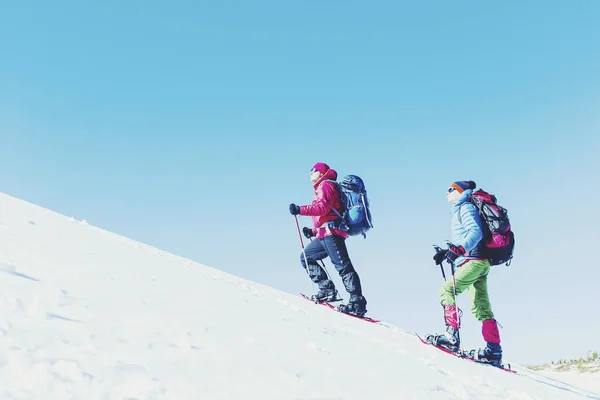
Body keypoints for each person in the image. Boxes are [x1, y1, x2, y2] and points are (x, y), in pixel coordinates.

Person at [428, 180, 503, 363]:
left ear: (460, 191)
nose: (447, 192)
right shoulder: (463, 208)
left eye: (450, 189)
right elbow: (467, 237)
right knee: (481, 306)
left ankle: (451, 335)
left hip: (473, 261)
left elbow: (475, 233)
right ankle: (493, 349)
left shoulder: (465, 208)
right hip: (479, 261)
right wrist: (448, 252)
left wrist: (460, 250)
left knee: (447, 289)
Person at [289, 162, 368, 317]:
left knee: (343, 267)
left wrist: (300, 209)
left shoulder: (327, 185)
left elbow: (322, 208)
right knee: (306, 257)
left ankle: (357, 302)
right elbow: (326, 214)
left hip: (332, 233)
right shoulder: (322, 187)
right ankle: (327, 290)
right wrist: (312, 231)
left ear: (321, 172)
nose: (311, 172)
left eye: (314, 170)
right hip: (324, 233)